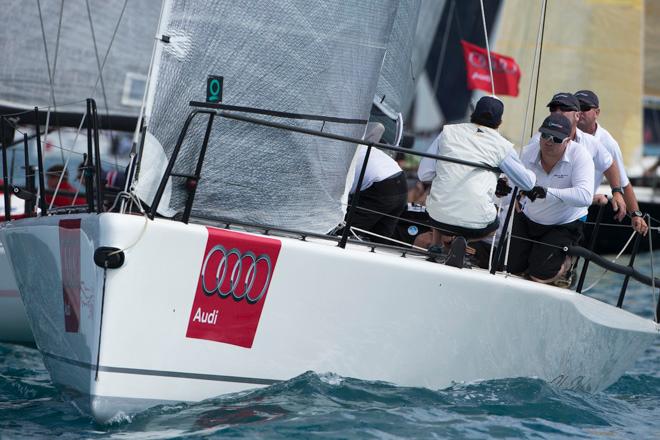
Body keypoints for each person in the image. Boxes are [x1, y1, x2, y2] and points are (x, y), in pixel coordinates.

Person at [418, 96, 536, 266]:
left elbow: (424, 175)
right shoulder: (502, 146)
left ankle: (436, 245)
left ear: (473, 113)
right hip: (475, 224)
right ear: (500, 122)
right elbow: (527, 183)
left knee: (441, 191)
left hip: (437, 216)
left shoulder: (448, 132)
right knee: (494, 222)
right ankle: (460, 241)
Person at [508, 114, 594, 283]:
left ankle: (567, 264)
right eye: (545, 135)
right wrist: (510, 192)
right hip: (528, 218)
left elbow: (585, 196)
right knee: (510, 268)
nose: (548, 141)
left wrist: (547, 192)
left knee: (539, 275)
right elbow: (511, 182)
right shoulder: (527, 153)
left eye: (556, 138)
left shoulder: (580, 156)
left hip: (563, 224)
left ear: (568, 140)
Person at [532, 92, 627, 220]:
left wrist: (616, 192)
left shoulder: (592, 143)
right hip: (539, 212)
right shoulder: (537, 140)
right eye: (553, 109)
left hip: (572, 216)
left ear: (577, 115)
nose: (558, 112)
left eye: (564, 109)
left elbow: (610, 165)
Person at [575, 89, 648, 235]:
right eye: (576, 108)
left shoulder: (608, 143)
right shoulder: (563, 131)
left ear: (597, 112)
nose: (580, 112)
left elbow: (623, 183)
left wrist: (636, 214)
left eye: (585, 108)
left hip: (576, 212)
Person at [343, 123, 408, 244]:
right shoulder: (352, 145)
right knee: (379, 242)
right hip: (400, 180)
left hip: (381, 186)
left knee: (345, 232)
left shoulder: (334, 156)